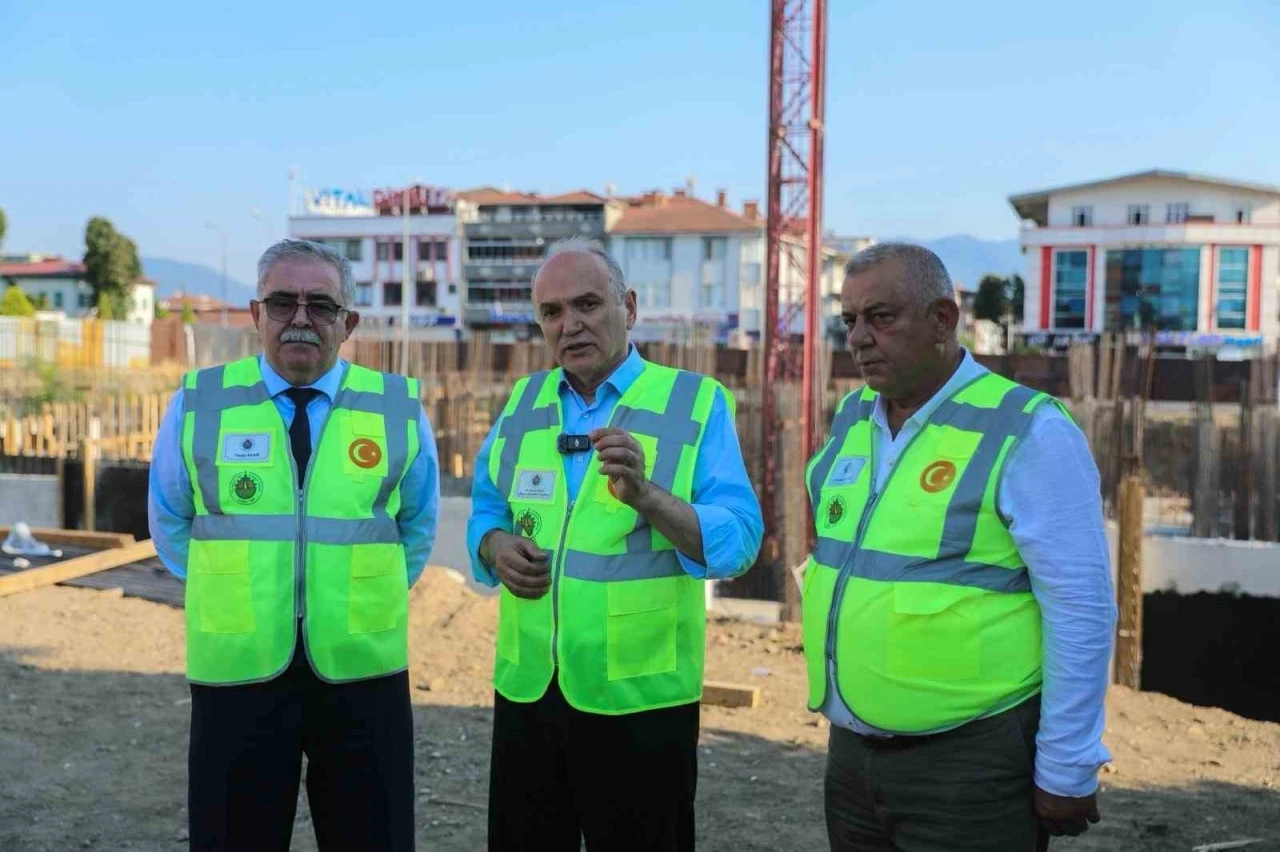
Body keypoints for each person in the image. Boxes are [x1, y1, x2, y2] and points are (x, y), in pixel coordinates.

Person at [802, 243, 1116, 851]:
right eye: (850, 320)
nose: (859, 338)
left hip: (970, 763)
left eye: (881, 317)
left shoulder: (1027, 428)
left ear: (943, 319)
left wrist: (1067, 764)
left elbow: (1081, 606)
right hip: (852, 758)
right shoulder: (852, 417)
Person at [467, 236, 764, 852]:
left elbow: (738, 542)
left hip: (640, 700)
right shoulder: (523, 403)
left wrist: (648, 497)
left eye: (587, 304)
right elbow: (488, 507)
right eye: (552, 312)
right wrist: (494, 546)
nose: (569, 325)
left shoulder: (694, 402)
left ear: (628, 306)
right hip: (530, 689)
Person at [148, 239, 439, 852]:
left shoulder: (397, 407)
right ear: (256, 314)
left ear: (348, 322)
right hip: (238, 668)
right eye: (283, 302)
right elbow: (171, 521)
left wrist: (359, 598)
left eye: (321, 305)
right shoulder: (200, 402)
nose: (300, 319)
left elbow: (417, 527)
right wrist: (231, 592)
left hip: (363, 670)